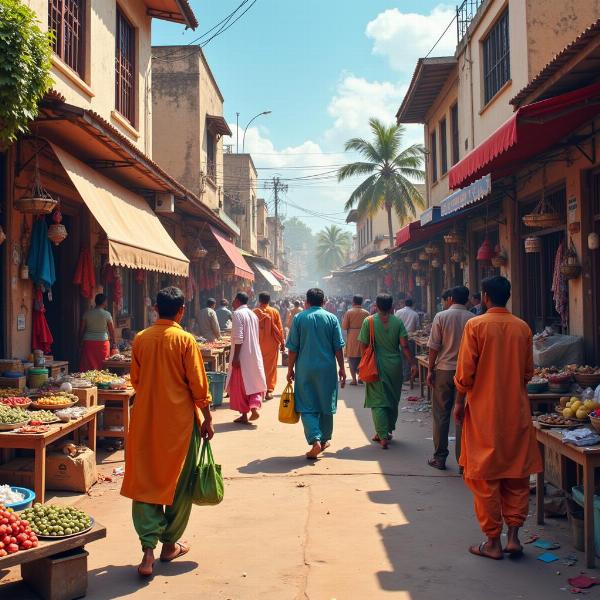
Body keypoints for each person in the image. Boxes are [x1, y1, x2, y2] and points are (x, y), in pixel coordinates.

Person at [120, 286, 214, 577]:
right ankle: (169, 545)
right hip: (180, 426)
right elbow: (199, 387)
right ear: (182, 310)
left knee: (145, 483)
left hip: (145, 422)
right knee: (179, 484)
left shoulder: (141, 339)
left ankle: (147, 552)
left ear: (155, 309)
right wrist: (207, 418)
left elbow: (135, 379)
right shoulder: (185, 340)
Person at [453, 276, 542, 560]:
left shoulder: (476, 326)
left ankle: (492, 542)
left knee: (485, 478)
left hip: (484, 413)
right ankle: (513, 538)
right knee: (516, 475)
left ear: (486, 297)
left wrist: (458, 402)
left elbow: (465, 375)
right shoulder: (522, 328)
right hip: (516, 411)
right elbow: (528, 373)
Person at [286, 288, 346, 459]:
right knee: (326, 404)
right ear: (324, 302)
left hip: (305, 368)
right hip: (327, 368)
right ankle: (325, 438)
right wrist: (341, 368)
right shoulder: (332, 318)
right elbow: (338, 347)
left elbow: (293, 349)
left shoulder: (299, 318)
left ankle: (315, 440)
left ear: (307, 302)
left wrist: (290, 369)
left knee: (306, 404)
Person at [358, 293, 417, 450]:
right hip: (394, 367)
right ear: (392, 307)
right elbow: (404, 346)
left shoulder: (368, 321)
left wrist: (365, 362)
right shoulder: (397, 322)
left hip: (375, 367)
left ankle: (382, 435)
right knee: (392, 399)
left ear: (376, 306)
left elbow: (363, 345)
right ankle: (387, 430)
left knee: (378, 401)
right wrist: (413, 363)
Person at [426, 285, 474, 471]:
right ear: (467, 300)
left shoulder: (441, 316)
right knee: (463, 415)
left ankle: (439, 457)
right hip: (466, 372)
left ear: (451, 298)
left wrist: (430, 369)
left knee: (441, 414)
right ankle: (463, 461)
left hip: (444, 370)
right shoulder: (473, 318)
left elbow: (434, 347)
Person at [226, 292, 267, 424]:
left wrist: (236, 358)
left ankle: (245, 413)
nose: (232, 302)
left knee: (241, 385)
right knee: (253, 382)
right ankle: (252, 409)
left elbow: (239, 337)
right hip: (253, 353)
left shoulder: (238, 314)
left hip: (242, 355)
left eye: (233, 299)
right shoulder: (253, 314)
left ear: (237, 300)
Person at [253, 292, 285, 400]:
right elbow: (280, 328)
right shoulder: (274, 311)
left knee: (257, 367)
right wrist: (282, 342)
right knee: (270, 368)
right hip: (271, 344)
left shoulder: (254, 312)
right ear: (269, 300)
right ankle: (269, 390)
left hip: (256, 344)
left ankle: (258, 390)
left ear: (259, 300)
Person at [79, 293, 116, 371]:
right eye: (106, 301)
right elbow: (111, 330)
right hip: (102, 343)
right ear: (104, 302)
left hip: (88, 342)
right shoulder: (107, 314)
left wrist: (80, 342)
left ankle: (87, 381)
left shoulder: (87, 313)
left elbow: (81, 330)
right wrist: (114, 342)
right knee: (102, 364)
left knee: (88, 365)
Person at [341, 295, 369, 385]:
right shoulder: (366, 313)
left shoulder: (349, 312)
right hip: (363, 336)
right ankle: (360, 377)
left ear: (353, 302)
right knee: (362, 358)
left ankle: (354, 380)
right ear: (362, 302)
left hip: (352, 336)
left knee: (352, 358)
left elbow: (344, 327)